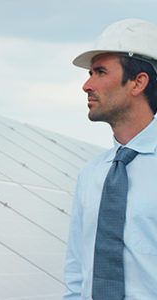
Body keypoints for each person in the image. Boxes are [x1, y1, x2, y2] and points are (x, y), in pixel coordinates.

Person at [63, 19, 157, 299]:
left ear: (138, 82)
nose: (86, 85)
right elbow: (76, 273)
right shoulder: (92, 175)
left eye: (100, 72)